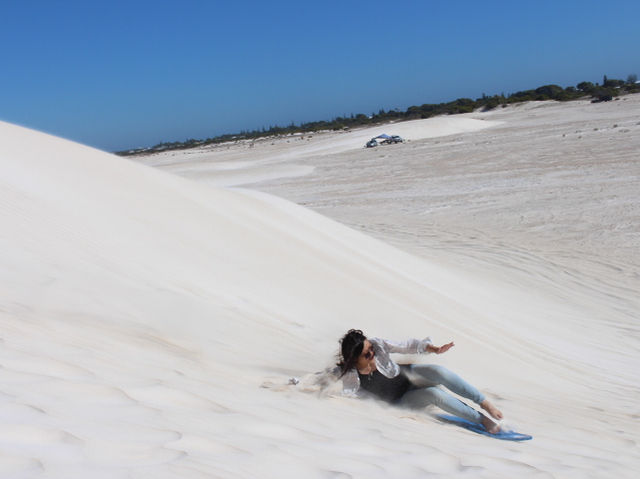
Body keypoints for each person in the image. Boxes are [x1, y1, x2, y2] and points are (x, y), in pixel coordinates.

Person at [337, 329, 503, 433]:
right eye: (367, 354)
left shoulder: (378, 345)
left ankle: (484, 402)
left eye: (371, 349)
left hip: (409, 376)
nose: (372, 353)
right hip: (401, 400)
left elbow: (407, 345)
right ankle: (482, 419)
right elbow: (338, 390)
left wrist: (434, 349)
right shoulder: (351, 376)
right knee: (434, 394)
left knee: (439, 371)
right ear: (354, 359)